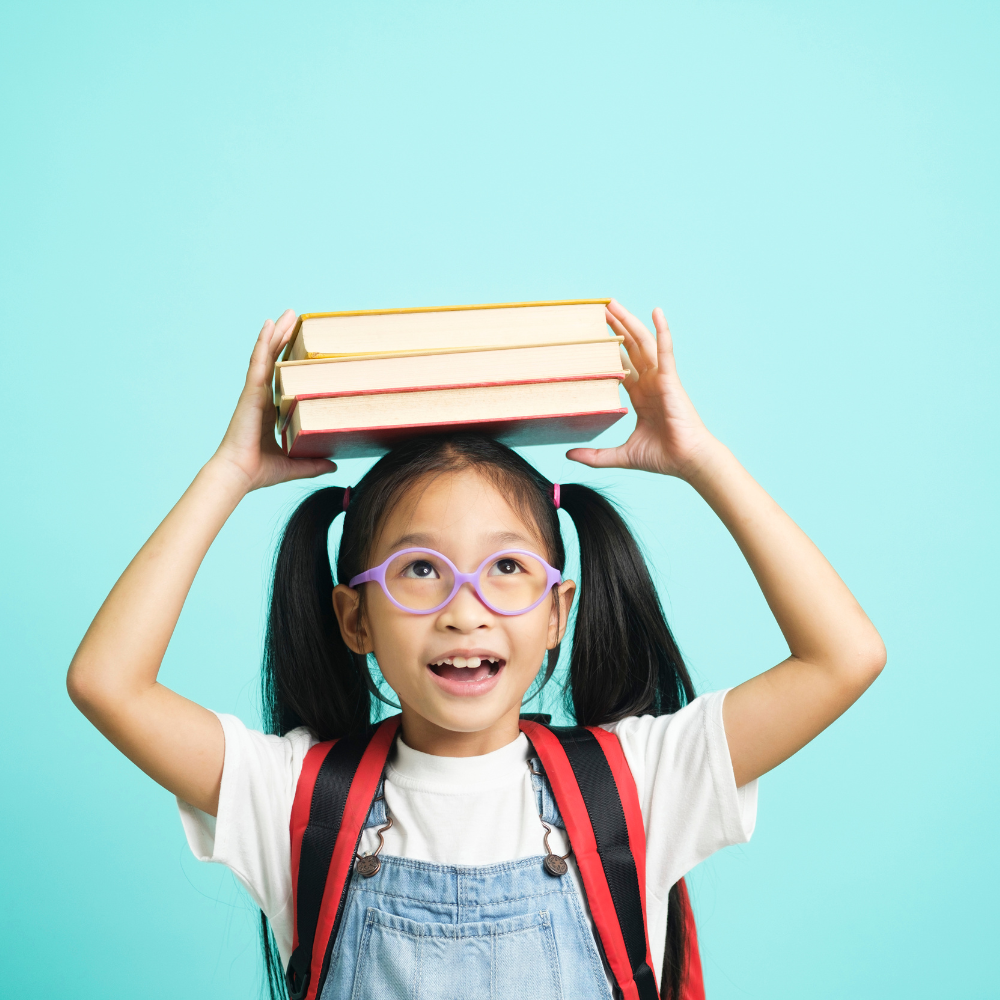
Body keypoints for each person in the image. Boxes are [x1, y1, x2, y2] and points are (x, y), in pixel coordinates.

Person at [67, 301, 885, 999]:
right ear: (354, 619)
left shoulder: (640, 782)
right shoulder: (291, 800)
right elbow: (107, 683)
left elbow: (844, 656)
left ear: (560, 609)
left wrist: (702, 459)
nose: (467, 610)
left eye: (507, 568)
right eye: (420, 569)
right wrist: (227, 473)